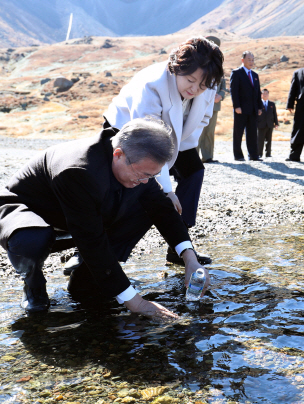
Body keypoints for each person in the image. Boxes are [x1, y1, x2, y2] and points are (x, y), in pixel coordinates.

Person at [0, 118, 209, 316]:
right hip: (29, 211)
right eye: (143, 175)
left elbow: (162, 209)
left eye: (151, 176)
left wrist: (190, 259)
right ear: (118, 154)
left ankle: (85, 279)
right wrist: (136, 302)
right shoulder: (78, 170)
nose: (145, 181)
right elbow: (91, 239)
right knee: (32, 240)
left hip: (79, 212)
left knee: (148, 206)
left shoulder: (136, 162)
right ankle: (34, 284)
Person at [90, 36, 223, 269]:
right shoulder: (152, 84)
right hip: (129, 130)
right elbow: (150, 142)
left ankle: (180, 245)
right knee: (132, 189)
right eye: (190, 80)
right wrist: (167, 190)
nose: (195, 89)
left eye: (201, 85)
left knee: (194, 172)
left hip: (176, 136)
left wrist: (180, 148)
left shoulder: (207, 84)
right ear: (176, 68)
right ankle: (90, 250)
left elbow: (202, 119)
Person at [230, 51, 264, 161]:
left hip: (253, 109)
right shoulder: (236, 73)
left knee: (253, 133)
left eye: (252, 59)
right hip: (241, 109)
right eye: (249, 59)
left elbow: (258, 93)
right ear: (242, 60)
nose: (251, 61)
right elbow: (234, 91)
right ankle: (238, 155)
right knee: (238, 133)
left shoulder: (255, 75)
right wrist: (236, 106)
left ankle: (254, 155)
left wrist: (259, 107)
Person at [198, 36, 227, 164]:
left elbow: (223, 86)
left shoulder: (219, 65)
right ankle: (193, 157)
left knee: (209, 132)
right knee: (196, 130)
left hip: (214, 105)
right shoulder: (198, 63)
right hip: (199, 104)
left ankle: (208, 157)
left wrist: (220, 95)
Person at [256, 88, 279, 158]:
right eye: (263, 93)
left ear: (268, 95)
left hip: (269, 124)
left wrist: (276, 123)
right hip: (260, 124)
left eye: (266, 93)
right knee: (260, 140)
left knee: (269, 140)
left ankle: (268, 153)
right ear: (261, 95)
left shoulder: (272, 104)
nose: (265, 95)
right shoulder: (258, 103)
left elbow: (274, 114)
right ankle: (259, 153)